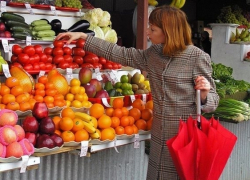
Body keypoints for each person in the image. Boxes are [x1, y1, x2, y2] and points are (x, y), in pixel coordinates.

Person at [56, 5, 219, 180]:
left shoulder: (197, 57)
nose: (147, 32)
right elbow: (120, 53)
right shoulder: (154, 54)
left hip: (185, 137)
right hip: (159, 136)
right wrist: (84, 38)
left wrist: (203, 95)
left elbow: (213, 101)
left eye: (153, 29)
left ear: (168, 32)